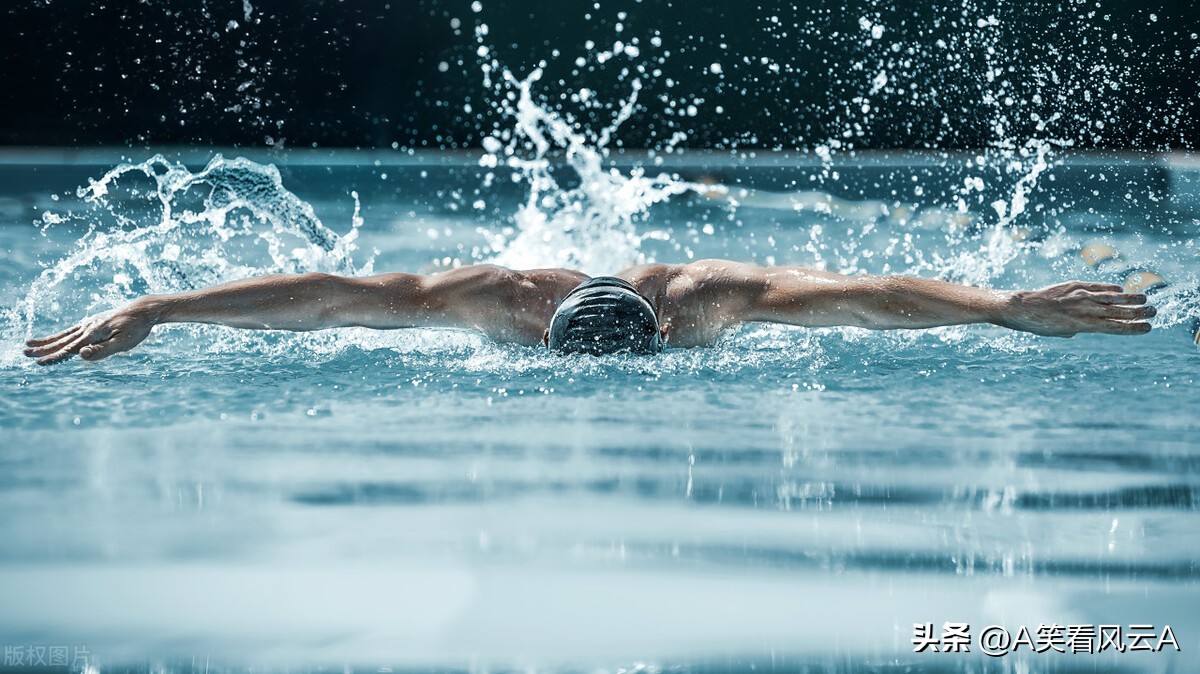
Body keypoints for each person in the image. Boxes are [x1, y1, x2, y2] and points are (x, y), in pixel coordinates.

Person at [22, 259, 1155, 364]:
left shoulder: (711, 299)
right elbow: (328, 299)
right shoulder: (496, 298)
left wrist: (1005, 306)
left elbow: (871, 296)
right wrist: (161, 303)